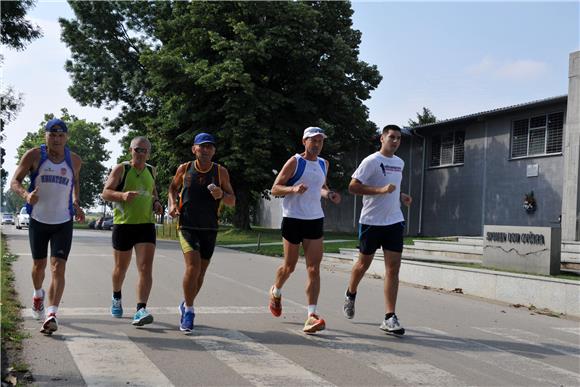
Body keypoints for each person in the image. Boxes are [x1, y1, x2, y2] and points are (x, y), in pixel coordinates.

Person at [10, 118, 85, 334]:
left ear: (66, 137)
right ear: (46, 136)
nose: (56, 139)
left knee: (58, 267)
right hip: (39, 220)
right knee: (39, 267)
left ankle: (52, 314)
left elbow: (74, 184)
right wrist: (26, 194)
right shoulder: (34, 155)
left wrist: (76, 203)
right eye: (52, 135)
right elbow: (15, 181)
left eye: (61, 135)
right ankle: (37, 294)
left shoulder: (75, 160)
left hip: (63, 222)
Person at [268, 126, 341, 334]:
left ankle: (311, 315)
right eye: (313, 141)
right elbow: (275, 188)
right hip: (292, 219)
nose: (317, 144)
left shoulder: (323, 163)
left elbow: (322, 187)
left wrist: (329, 195)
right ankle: (276, 290)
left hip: (314, 219)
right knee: (289, 267)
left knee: (313, 268)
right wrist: (293, 189)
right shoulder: (295, 162)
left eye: (320, 141)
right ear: (304, 141)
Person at [342, 124, 412, 335]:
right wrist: (380, 190)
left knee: (393, 269)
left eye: (399, 138)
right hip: (371, 221)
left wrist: (401, 196)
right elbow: (353, 187)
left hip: (394, 220)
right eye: (392, 137)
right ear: (382, 138)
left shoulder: (399, 162)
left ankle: (389, 317)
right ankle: (350, 293)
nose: (396, 141)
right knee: (364, 264)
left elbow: (393, 187)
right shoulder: (371, 161)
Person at [168, 133, 235, 333]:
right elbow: (172, 188)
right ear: (194, 149)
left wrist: (222, 194)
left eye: (210, 147)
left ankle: (185, 303)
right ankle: (189, 311)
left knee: (201, 273)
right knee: (193, 267)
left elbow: (233, 200)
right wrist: (172, 204)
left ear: (214, 151)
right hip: (187, 225)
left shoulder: (220, 172)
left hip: (210, 227)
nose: (206, 150)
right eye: (202, 147)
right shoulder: (185, 168)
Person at [101, 136, 163, 326]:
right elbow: (105, 193)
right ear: (130, 150)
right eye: (138, 150)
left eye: (145, 151)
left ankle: (140, 309)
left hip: (145, 225)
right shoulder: (121, 169)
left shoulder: (152, 170)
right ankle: (116, 296)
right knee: (121, 269)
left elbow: (153, 193)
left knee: (145, 269)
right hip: (124, 225)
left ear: (149, 153)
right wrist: (122, 195)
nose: (141, 154)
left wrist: (157, 203)